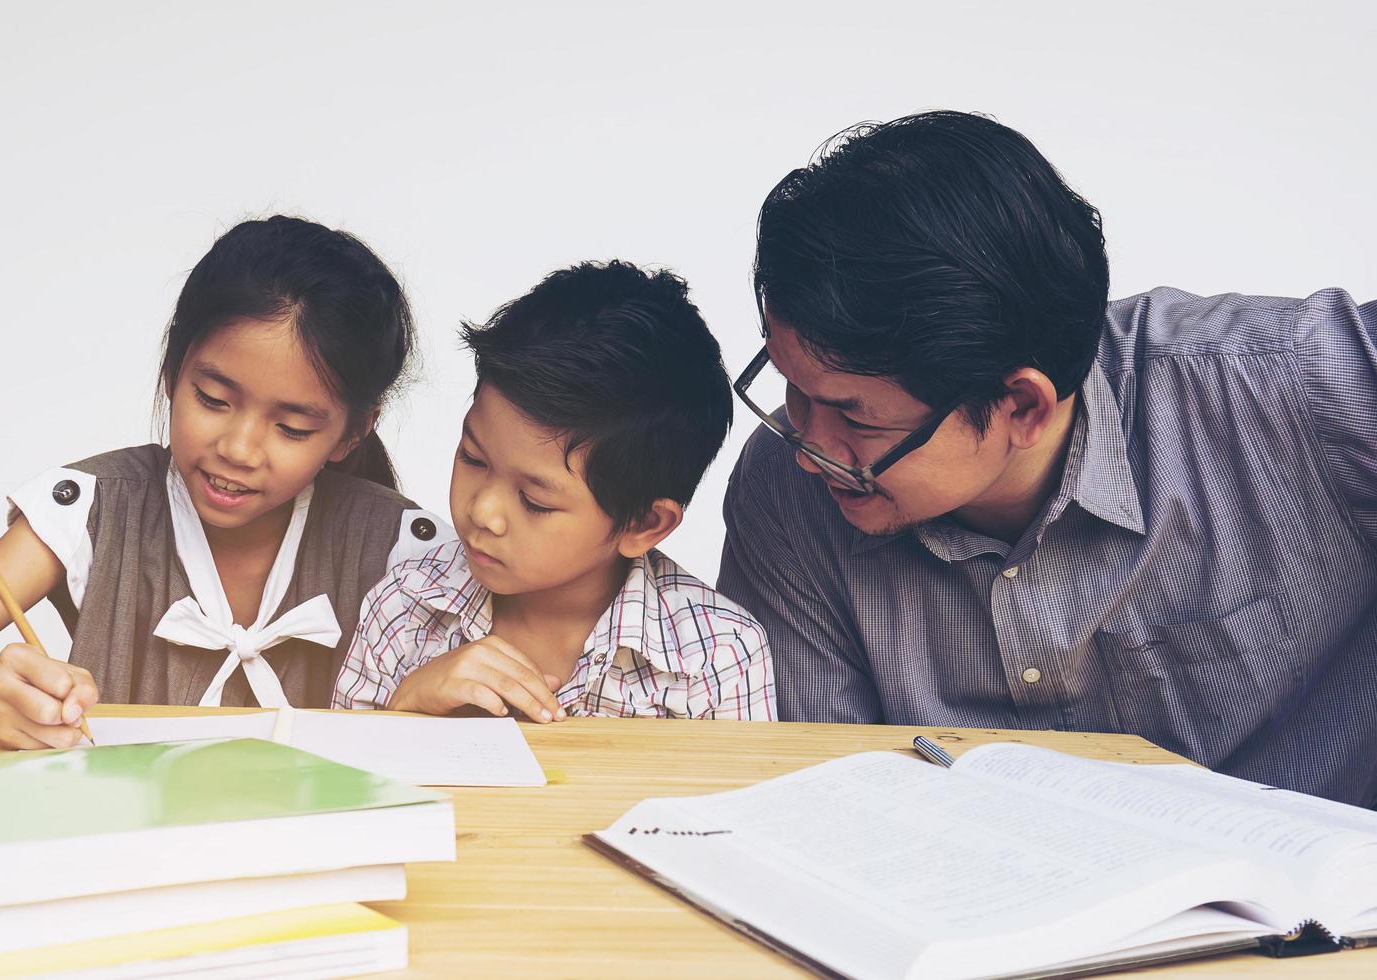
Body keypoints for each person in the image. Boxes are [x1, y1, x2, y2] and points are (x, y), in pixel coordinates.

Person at [717, 110, 1377, 804]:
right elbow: (822, 800)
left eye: (853, 415)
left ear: (1024, 406)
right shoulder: (783, 496)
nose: (805, 449)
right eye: (792, 388)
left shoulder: (1289, 386)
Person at [0, 215, 453, 747]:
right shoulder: (94, 511)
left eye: (291, 428)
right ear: (172, 369)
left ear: (351, 434)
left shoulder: (402, 549)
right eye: (213, 400)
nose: (238, 449)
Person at [335, 261, 775, 721]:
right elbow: (339, 783)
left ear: (644, 523)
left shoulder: (718, 657)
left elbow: (737, 793)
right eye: (473, 458)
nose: (484, 511)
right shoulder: (406, 605)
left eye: (535, 501)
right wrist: (405, 705)